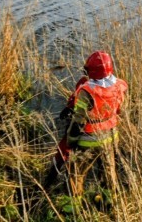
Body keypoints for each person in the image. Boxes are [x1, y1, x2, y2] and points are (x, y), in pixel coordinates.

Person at [47, 51, 128, 196]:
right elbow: (120, 110)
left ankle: (75, 206)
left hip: (89, 139)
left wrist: (71, 141)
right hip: (111, 136)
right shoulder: (120, 85)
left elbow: (79, 121)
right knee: (109, 171)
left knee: (76, 173)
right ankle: (110, 201)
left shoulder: (87, 91)